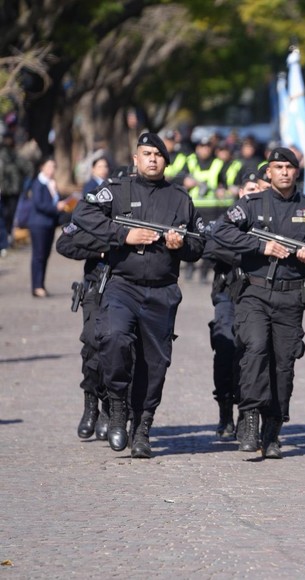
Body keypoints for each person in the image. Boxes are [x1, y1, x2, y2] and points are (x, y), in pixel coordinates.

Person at [74, 132, 205, 458]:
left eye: (158, 155)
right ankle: (117, 407)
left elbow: (199, 244)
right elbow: (83, 214)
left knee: (155, 364)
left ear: (166, 161)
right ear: (135, 159)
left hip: (162, 291)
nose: (152, 159)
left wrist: (182, 245)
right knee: (113, 338)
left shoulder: (180, 198)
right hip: (123, 285)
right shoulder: (116, 191)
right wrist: (123, 235)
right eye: (146, 153)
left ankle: (143, 427)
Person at [212, 147, 305, 459]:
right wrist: (260, 246)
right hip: (254, 292)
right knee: (254, 349)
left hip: (291, 296)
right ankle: (249, 417)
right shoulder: (251, 204)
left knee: (283, 364)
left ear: (296, 171)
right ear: (268, 171)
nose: (283, 172)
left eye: (288, 167)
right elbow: (222, 231)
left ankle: (273, 429)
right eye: (277, 167)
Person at [204, 172, 264, 441]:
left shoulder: (267, 219)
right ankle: (225, 411)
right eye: (250, 188)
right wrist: (248, 256)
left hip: (258, 295)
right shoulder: (228, 219)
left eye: (259, 189)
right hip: (229, 294)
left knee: (253, 354)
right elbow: (209, 246)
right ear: (240, 191)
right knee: (226, 349)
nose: (253, 193)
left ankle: (248, 414)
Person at [55, 216, 112, 441]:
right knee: (91, 346)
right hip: (95, 289)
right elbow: (64, 243)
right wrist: (101, 250)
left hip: (126, 289)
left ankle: (110, 407)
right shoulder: (95, 211)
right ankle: (91, 404)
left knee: (118, 351)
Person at [28, 157, 66, 297]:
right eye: (49, 167)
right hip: (38, 224)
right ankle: (36, 286)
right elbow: (39, 204)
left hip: (49, 223)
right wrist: (56, 207)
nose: (52, 170)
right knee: (38, 255)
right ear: (42, 167)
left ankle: (41, 284)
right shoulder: (38, 183)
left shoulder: (52, 183)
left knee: (45, 255)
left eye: (53, 167)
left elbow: (57, 199)